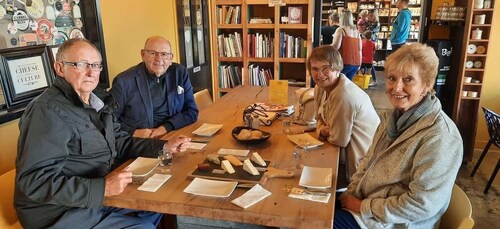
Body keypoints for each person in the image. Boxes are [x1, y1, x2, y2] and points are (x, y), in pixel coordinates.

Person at [15, 38, 191, 229]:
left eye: (96, 65)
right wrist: (103, 188)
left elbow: (121, 141)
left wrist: (164, 146)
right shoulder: (47, 111)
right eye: (81, 65)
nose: (91, 72)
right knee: (145, 226)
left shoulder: (96, 101)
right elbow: (34, 181)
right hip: (59, 213)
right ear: (59, 68)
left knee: (157, 203)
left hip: (93, 198)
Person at [335, 43, 463, 228]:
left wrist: (363, 206)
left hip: (394, 223)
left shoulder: (440, 136)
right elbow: (367, 161)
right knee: (310, 206)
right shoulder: (392, 118)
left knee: (314, 222)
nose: (396, 88)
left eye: (408, 79)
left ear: (426, 85)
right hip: (367, 206)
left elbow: (421, 205)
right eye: (392, 78)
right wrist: (351, 192)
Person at [306, 46, 380, 184]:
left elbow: (339, 139)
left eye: (325, 68)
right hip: (340, 153)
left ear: (337, 68)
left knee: (307, 172)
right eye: (315, 69)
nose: (319, 74)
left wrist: (325, 130)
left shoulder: (343, 95)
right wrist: (323, 129)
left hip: (358, 167)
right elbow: (317, 119)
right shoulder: (320, 88)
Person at [110, 36, 198, 139]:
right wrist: (133, 132)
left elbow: (191, 111)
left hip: (174, 133)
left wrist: (166, 127)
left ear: (171, 58)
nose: (158, 59)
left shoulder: (179, 72)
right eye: (152, 53)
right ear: (143, 55)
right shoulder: (123, 81)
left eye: (164, 54)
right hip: (140, 141)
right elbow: (108, 121)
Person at [331, 10, 362, 80]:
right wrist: (359, 64)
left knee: (339, 85)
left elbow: (335, 46)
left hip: (344, 62)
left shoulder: (341, 30)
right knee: (348, 85)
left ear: (341, 18)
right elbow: (359, 49)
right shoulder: (357, 32)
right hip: (355, 63)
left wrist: (324, 47)